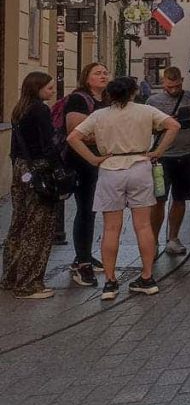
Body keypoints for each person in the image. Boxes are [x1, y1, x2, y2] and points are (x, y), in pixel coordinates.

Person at [67, 77, 180, 301]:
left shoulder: (100, 115)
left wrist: (93, 159)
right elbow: (174, 125)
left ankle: (110, 282)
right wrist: (158, 152)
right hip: (139, 165)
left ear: (110, 94)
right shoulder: (145, 110)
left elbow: (73, 137)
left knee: (111, 228)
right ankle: (147, 277)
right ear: (133, 92)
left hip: (111, 168)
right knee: (143, 225)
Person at [1, 73, 59, 300]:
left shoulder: (19, 109)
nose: (53, 91)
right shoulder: (40, 110)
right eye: (49, 87)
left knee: (19, 223)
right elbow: (48, 145)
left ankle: (11, 276)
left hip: (20, 168)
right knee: (38, 226)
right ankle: (28, 283)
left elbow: (16, 148)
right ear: (37, 88)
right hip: (38, 170)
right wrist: (58, 169)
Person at [64, 62, 110, 288]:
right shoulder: (78, 99)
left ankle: (84, 254)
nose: (103, 76)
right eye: (97, 73)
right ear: (87, 78)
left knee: (91, 210)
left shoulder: (107, 99)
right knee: (84, 210)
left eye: (105, 73)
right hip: (81, 162)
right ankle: (82, 263)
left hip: (99, 161)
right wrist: (104, 135)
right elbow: (75, 132)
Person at [147, 67, 190, 256]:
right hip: (163, 158)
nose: (173, 90)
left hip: (186, 154)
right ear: (163, 82)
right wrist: (166, 123)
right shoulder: (153, 101)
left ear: (182, 81)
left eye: (176, 86)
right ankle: (152, 239)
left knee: (180, 198)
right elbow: (148, 128)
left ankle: (173, 238)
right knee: (158, 199)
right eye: (169, 86)